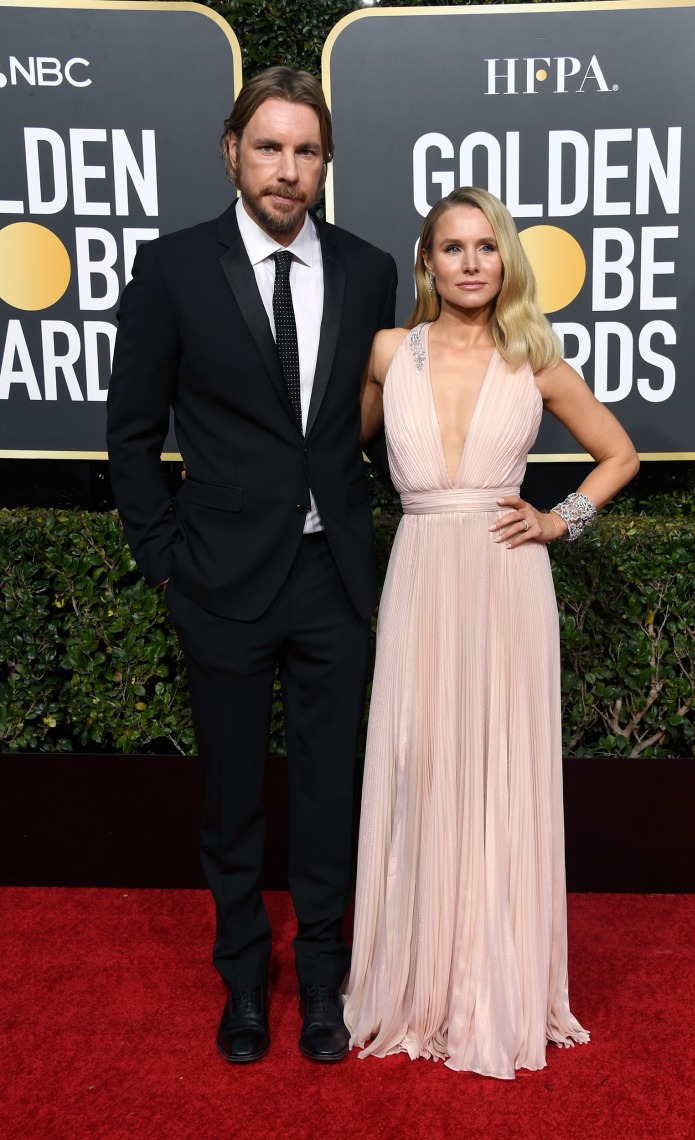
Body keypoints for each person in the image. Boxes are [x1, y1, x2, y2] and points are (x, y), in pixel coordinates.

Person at [106, 66, 397, 1065]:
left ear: (325, 163)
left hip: (333, 580)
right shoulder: (173, 267)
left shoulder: (366, 271)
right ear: (232, 149)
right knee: (232, 800)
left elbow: (368, 426)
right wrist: (163, 563)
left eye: (304, 151)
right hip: (218, 582)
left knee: (329, 796)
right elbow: (132, 433)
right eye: (267, 147)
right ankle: (243, 984)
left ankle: (321, 980)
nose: (285, 169)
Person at [343, 186, 639, 1080]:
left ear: (505, 259)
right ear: (427, 262)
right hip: (422, 570)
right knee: (419, 764)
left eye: (485, 246)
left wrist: (559, 521)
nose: (470, 262)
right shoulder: (390, 352)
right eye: (451, 247)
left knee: (498, 770)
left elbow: (619, 453)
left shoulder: (537, 360)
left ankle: (493, 981)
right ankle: (415, 980)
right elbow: (331, 453)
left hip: (507, 582)